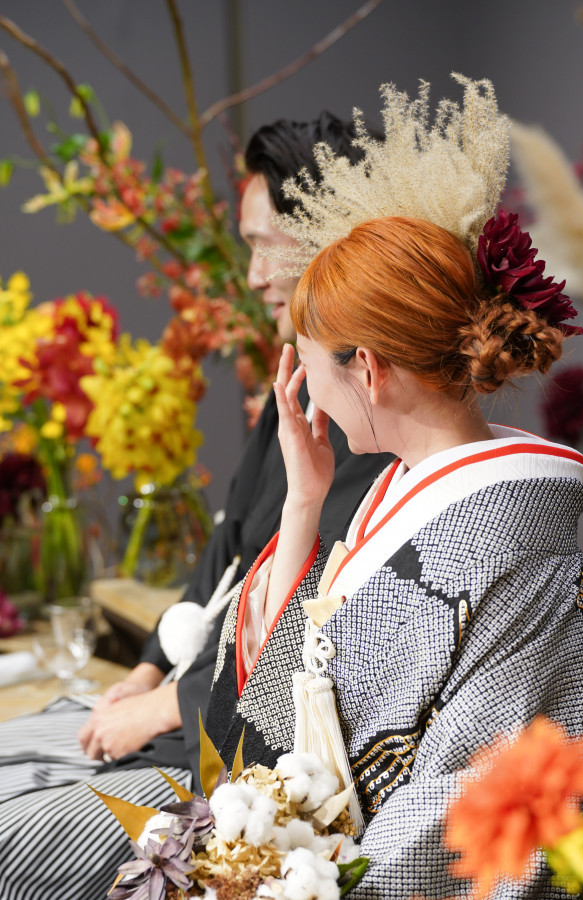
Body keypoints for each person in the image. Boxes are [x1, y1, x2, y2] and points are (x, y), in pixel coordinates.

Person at [204, 77, 583, 898]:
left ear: (370, 372)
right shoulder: (402, 497)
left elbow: (457, 815)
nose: (306, 398)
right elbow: (266, 709)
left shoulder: (520, 562)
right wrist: (303, 502)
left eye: (312, 375)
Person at [0, 114, 390, 900]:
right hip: (181, 703)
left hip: (235, 756)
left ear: (325, 232)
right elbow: (226, 551)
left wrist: (157, 711)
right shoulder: (297, 392)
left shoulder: (369, 420)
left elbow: (315, 624)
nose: (250, 277)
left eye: (259, 243)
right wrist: (145, 670)